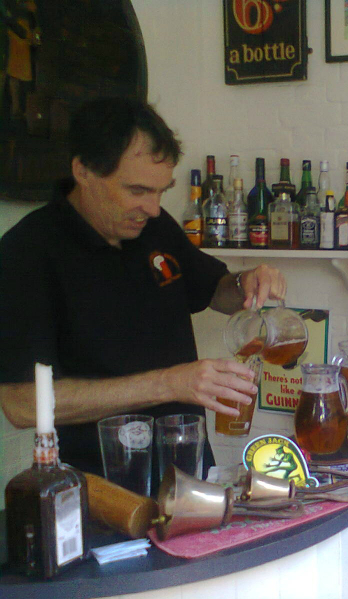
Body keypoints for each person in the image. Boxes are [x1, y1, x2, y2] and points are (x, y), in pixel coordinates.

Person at [0, 96, 286, 479]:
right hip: (101, 490)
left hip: (189, 472)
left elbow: (215, 290)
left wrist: (245, 281)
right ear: (83, 171)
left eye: (161, 191)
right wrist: (169, 383)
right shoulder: (27, 252)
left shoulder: (155, 226)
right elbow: (21, 405)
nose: (153, 208)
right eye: (137, 191)